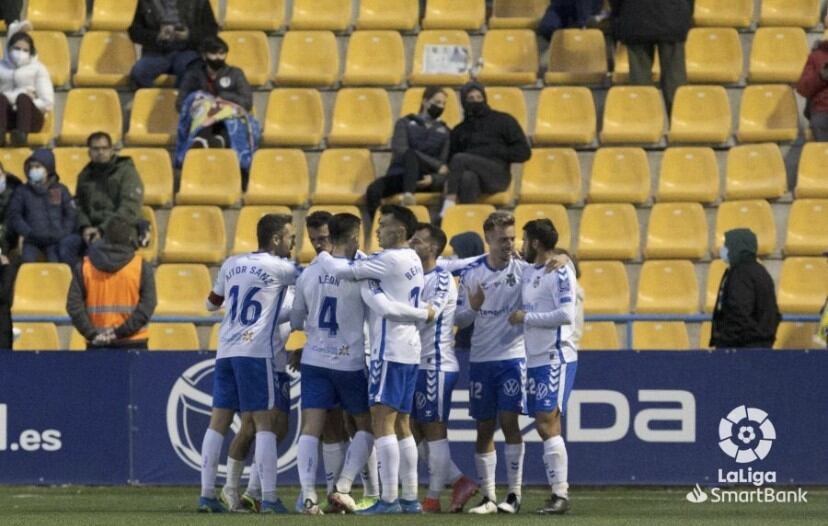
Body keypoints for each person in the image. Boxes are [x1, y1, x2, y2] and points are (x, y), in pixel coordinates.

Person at [317, 205, 426, 514]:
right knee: (403, 424)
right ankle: (410, 498)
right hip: (410, 349)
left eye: (383, 225)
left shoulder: (387, 260)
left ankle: (389, 499)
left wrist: (323, 252)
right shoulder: (412, 258)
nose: (377, 231)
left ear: (400, 231)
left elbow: (341, 270)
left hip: (388, 350)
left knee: (382, 423)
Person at [199, 213, 299, 513]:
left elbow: (210, 304)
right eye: (291, 237)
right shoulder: (282, 268)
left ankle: (207, 495)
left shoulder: (231, 263)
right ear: (276, 239)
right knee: (266, 422)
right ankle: (267, 497)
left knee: (218, 421)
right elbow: (313, 283)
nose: (294, 242)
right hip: (256, 352)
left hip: (226, 350)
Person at [291, 213, 384, 515]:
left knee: (311, 427)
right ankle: (345, 487)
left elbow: (295, 320)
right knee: (364, 426)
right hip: (350, 360)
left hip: (315, 359)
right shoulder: (360, 271)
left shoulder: (308, 273)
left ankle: (308, 495)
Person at [454, 211, 530, 515]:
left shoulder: (524, 270)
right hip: (481, 358)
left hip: (513, 356)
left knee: (510, 422)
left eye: (512, 239)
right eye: (502, 239)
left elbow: (563, 273)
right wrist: (472, 308)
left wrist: (562, 261)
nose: (508, 244)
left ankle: (513, 494)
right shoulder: (473, 273)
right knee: (484, 427)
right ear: (488, 239)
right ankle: (488, 496)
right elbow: (458, 318)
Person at [408, 223, 480, 513]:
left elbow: (430, 315)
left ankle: (433, 497)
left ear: (433, 248)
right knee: (413, 431)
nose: (412, 242)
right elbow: (458, 316)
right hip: (417, 363)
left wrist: (389, 312)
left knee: (434, 430)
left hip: (435, 365)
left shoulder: (440, 278)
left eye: (419, 240)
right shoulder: (414, 275)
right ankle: (459, 481)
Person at [508, 219, 578, 515]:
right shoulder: (531, 270)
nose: (521, 245)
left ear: (535, 243)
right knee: (545, 424)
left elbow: (565, 314)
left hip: (555, 356)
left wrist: (526, 318)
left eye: (524, 240)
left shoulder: (559, 270)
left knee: (547, 423)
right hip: (535, 358)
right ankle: (557, 493)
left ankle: (560, 495)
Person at [174, 36, 260, 183]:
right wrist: (202, 100)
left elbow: (247, 102)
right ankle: (213, 142)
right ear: (204, 55)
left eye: (222, 54)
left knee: (225, 118)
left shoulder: (235, 73)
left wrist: (223, 97)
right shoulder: (193, 74)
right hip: (202, 119)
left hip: (231, 119)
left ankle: (201, 145)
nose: (218, 58)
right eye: (214, 54)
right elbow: (181, 103)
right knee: (203, 105)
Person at [66, 217, 156, 349]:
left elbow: (74, 306)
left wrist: (91, 334)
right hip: (133, 342)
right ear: (130, 238)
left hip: (97, 343)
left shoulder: (85, 267)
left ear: (104, 237)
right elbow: (147, 306)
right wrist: (119, 333)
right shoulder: (141, 267)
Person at [441, 82, 530, 215]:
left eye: (479, 97)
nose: (475, 101)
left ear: (485, 98)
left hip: (497, 175)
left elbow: (524, 152)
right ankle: (469, 221)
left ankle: (448, 203)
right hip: (475, 177)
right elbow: (451, 161)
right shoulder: (459, 130)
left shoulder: (503, 120)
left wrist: (496, 151)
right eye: (470, 98)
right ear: (464, 102)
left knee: (460, 158)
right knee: (467, 177)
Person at [365, 87, 451, 219]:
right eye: (437, 102)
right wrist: (436, 166)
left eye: (443, 104)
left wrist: (433, 179)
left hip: (425, 179)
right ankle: (377, 228)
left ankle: (409, 195)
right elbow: (401, 150)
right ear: (425, 101)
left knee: (413, 155)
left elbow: (444, 167)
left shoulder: (445, 131)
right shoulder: (404, 123)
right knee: (373, 190)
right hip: (401, 174)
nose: (440, 106)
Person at [609, 0, 691, 113]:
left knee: (639, 77)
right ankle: (680, 119)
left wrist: (617, 16)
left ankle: (644, 121)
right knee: (674, 77)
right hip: (672, 16)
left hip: (635, 18)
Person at [710, 228, 781, 349]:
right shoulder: (760, 271)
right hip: (761, 344)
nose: (723, 250)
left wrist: (726, 340)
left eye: (727, 245)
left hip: (741, 348)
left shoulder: (740, 273)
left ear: (737, 247)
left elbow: (739, 312)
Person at [75, 132, 145, 251]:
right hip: (92, 230)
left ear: (112, 150)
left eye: (104, 148)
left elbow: (129, 208)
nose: (100, 152)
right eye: (96, 149)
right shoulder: (84, 175)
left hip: (121, 230)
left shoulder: (127, 173)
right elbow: (79, 206)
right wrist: (85, 227)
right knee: (66, 246)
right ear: (89, 152)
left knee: (96, 248)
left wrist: (102, 229)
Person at [7, 149, 78, 264]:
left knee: (56, 267)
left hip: (55, 239)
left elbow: (70, 214)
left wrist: (62, 233)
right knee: (27, 265)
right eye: (31, 167)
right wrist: (28, 232)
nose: (34, 170)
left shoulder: (60, 189)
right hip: (32, 240)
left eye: (38, 166)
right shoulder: (22, 191)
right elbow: (15, 215)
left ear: (48, 168)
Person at [128, 0, 219, 88]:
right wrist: (157, 36)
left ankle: (179, 100)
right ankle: (157, 100)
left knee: (192, 73)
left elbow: (211, 30)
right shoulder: (146, 1)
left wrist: (189, 35)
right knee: (138, 73)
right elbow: (135, 32)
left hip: (187, 50)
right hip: (156, 52)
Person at [0, 21, 54, 147]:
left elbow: (47, 102)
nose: (20, 53)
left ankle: (21, 136)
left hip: (30, 117)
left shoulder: (39, 68)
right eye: (17, 48)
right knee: (1, 99)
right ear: (9, 49)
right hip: (7, 116)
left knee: (23, 98)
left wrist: (29, 102)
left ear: (31, 52)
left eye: (25, 50)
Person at [796, 39, 828, 141]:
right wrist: (821, 76)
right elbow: (803, 89)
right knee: (820, 122)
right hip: (823, 110)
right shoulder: (816, 56)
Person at [538, 0, 606, 41]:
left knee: (581, 28)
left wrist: (583, 22)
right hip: (561, 7)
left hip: (588, 9)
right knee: (547, 27)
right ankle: (562, 50)